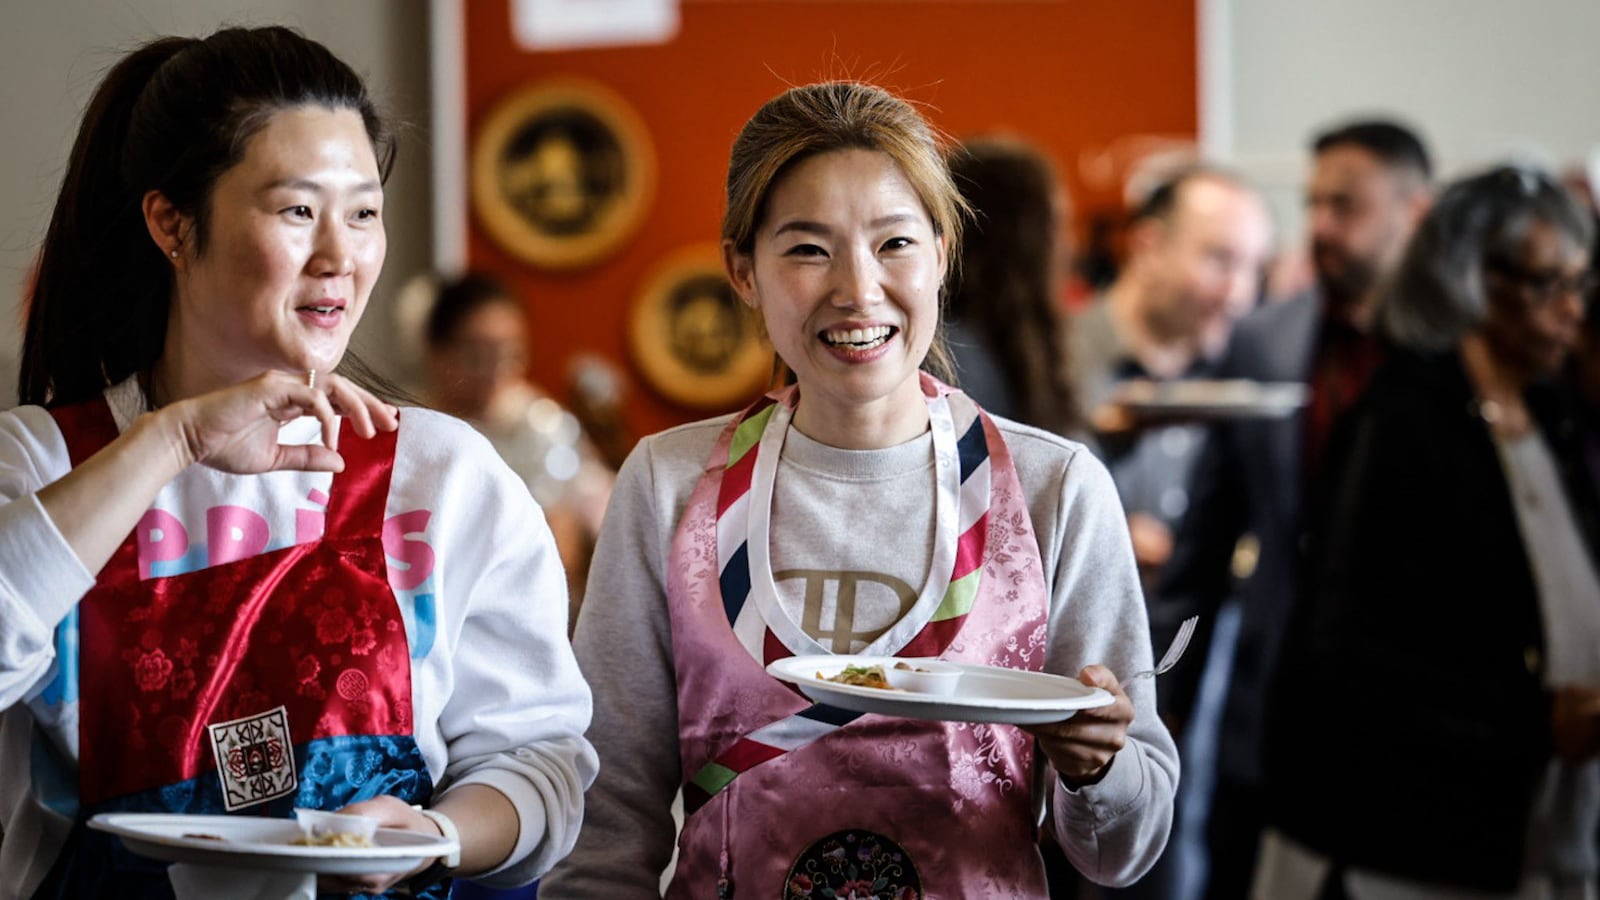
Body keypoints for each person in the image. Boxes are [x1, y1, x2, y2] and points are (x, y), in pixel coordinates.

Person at [542, 81, 1177, 899]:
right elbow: (605, 817)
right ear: (742, 271)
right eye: (808, 249)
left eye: (895, 244)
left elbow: (1128, 846)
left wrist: (1101, 769)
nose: (857, 289)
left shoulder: (1053, 489)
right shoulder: (669, 485)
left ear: (943, 254)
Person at [0, 26, 595, 899]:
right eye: (295, 210)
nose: (339, 258)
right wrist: (172, 441)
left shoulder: (443, 474)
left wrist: (432, 834)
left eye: (362, 213)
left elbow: (542, 763)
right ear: (171, 223)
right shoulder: (43, 461)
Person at [1256, 165, 1600, 898]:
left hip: (1538, 828)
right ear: (1470, 279)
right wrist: (1536, 724)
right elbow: (1348, 656)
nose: (1572, 308)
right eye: (1549, 284)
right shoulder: (1404, 422)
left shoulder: (1558, 418)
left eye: (1580, 283)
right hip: (1409, 839)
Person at [1149, 119, 1432, 900]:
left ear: (1415, 211)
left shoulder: (1452, 355)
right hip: (1269, 720)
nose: (1321, 228)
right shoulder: (1265, 343)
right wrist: (1164, 696)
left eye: (1346, 206)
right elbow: (1201, 552)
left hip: (1414, 727)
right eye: (1314, 205)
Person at [1070, 167, 1273, 588]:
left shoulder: (1250, 376)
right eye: (1219, 260)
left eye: (1253, 268)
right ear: (1149, 246)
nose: (1238, 295)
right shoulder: (1056, 363)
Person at [424, 271, 614, 617]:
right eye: (477, 355)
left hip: (522, 607)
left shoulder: (541, 427)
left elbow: (559, 550)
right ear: (438, 351)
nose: (496, 371)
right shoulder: (417, 426)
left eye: (510, 353)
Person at [944, 136, 1081, 437]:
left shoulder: (1005, 344)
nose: (1070, 245)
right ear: (1023, 240)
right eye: (1058, 225)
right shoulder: (957, 361)